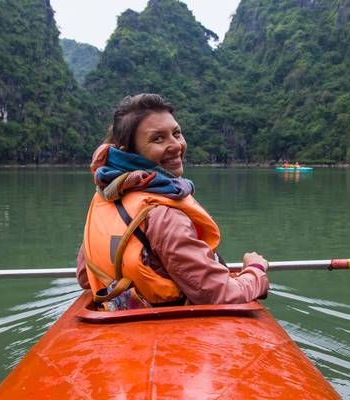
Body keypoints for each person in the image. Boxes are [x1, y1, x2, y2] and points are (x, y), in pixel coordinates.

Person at [76, 93, 269, 308]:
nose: (176, 145)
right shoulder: (163, 213)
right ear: (128, 152)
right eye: (157, 138)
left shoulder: (104, 198)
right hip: (162, 328)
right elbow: (221, 296)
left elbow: (85, 277)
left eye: (176, 134)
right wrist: (255, 270)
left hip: (115, 322)